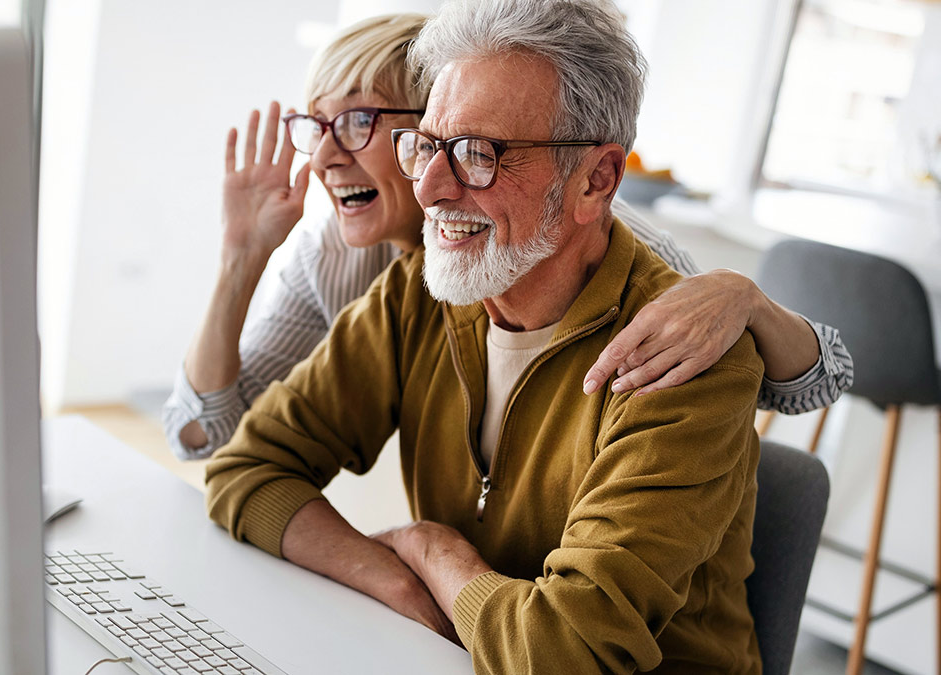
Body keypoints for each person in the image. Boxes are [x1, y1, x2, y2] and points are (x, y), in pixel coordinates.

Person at [205, 0, 783, 671]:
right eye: (427, 145)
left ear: (595, 181)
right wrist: (389, 576)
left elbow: (570, 649)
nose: (429, 187)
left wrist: (431, 551)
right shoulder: (420, 294)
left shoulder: (686, 359)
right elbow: (246, 468)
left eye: (479, 154)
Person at [161, 12, 852, 461]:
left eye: (360, 122)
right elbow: (205, 436)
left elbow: (792, 390)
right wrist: (240, 260)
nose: (325, 157)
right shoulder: (341, 262)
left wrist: (745, 299)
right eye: (318, 126)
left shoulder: (601, 252)